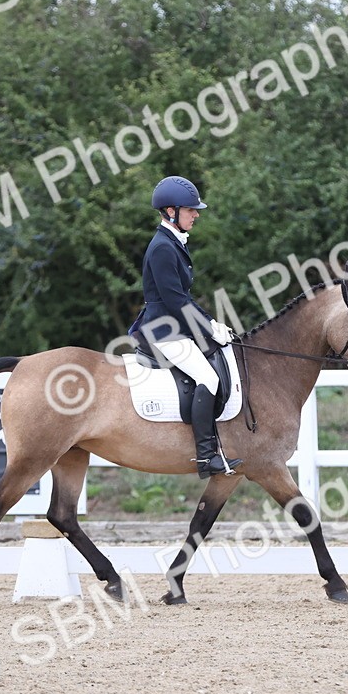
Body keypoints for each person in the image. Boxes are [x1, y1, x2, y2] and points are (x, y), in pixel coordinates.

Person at [129, 176, 243, 478]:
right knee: (208, 377)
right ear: (170, 212)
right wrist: (207, 327)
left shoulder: (171, 243)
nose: (196, 214)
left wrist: (211, 323)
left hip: (175, 326)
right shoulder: (163, 248)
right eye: (190, 210)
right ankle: (206, 458)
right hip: (163, 331)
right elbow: (176, 300)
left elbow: (183, 298)